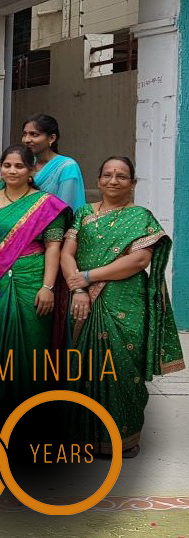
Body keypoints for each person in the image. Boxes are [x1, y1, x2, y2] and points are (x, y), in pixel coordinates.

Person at [63, 156, 183, 458]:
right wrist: (77, 288)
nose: (113, 181)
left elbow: (139, 261)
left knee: (121, 366)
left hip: (125, 301)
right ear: (99, 180)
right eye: (107, 175)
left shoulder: (141, 216)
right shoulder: (82, 214)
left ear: (132, 183)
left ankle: (123, 438)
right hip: (81, 300)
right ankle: (83, 436)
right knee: (82, 366)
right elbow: (67, 253)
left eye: (121, 176)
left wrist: (89, 276)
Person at [0, 144, 69, 429]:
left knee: (33, 348)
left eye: (19, 166)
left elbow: (53, 247)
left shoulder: (46, 204)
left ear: (31, 170)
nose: (12, 171)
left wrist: (48, 287)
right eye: (7, 166)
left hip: (32, 281)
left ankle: (30, 417)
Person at [22, 114, 86, 209]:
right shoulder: (24, 164)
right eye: (24, 134)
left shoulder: (67, 167)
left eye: (34, 134)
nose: (27, 140)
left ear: (52, 138)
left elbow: (65, 209)